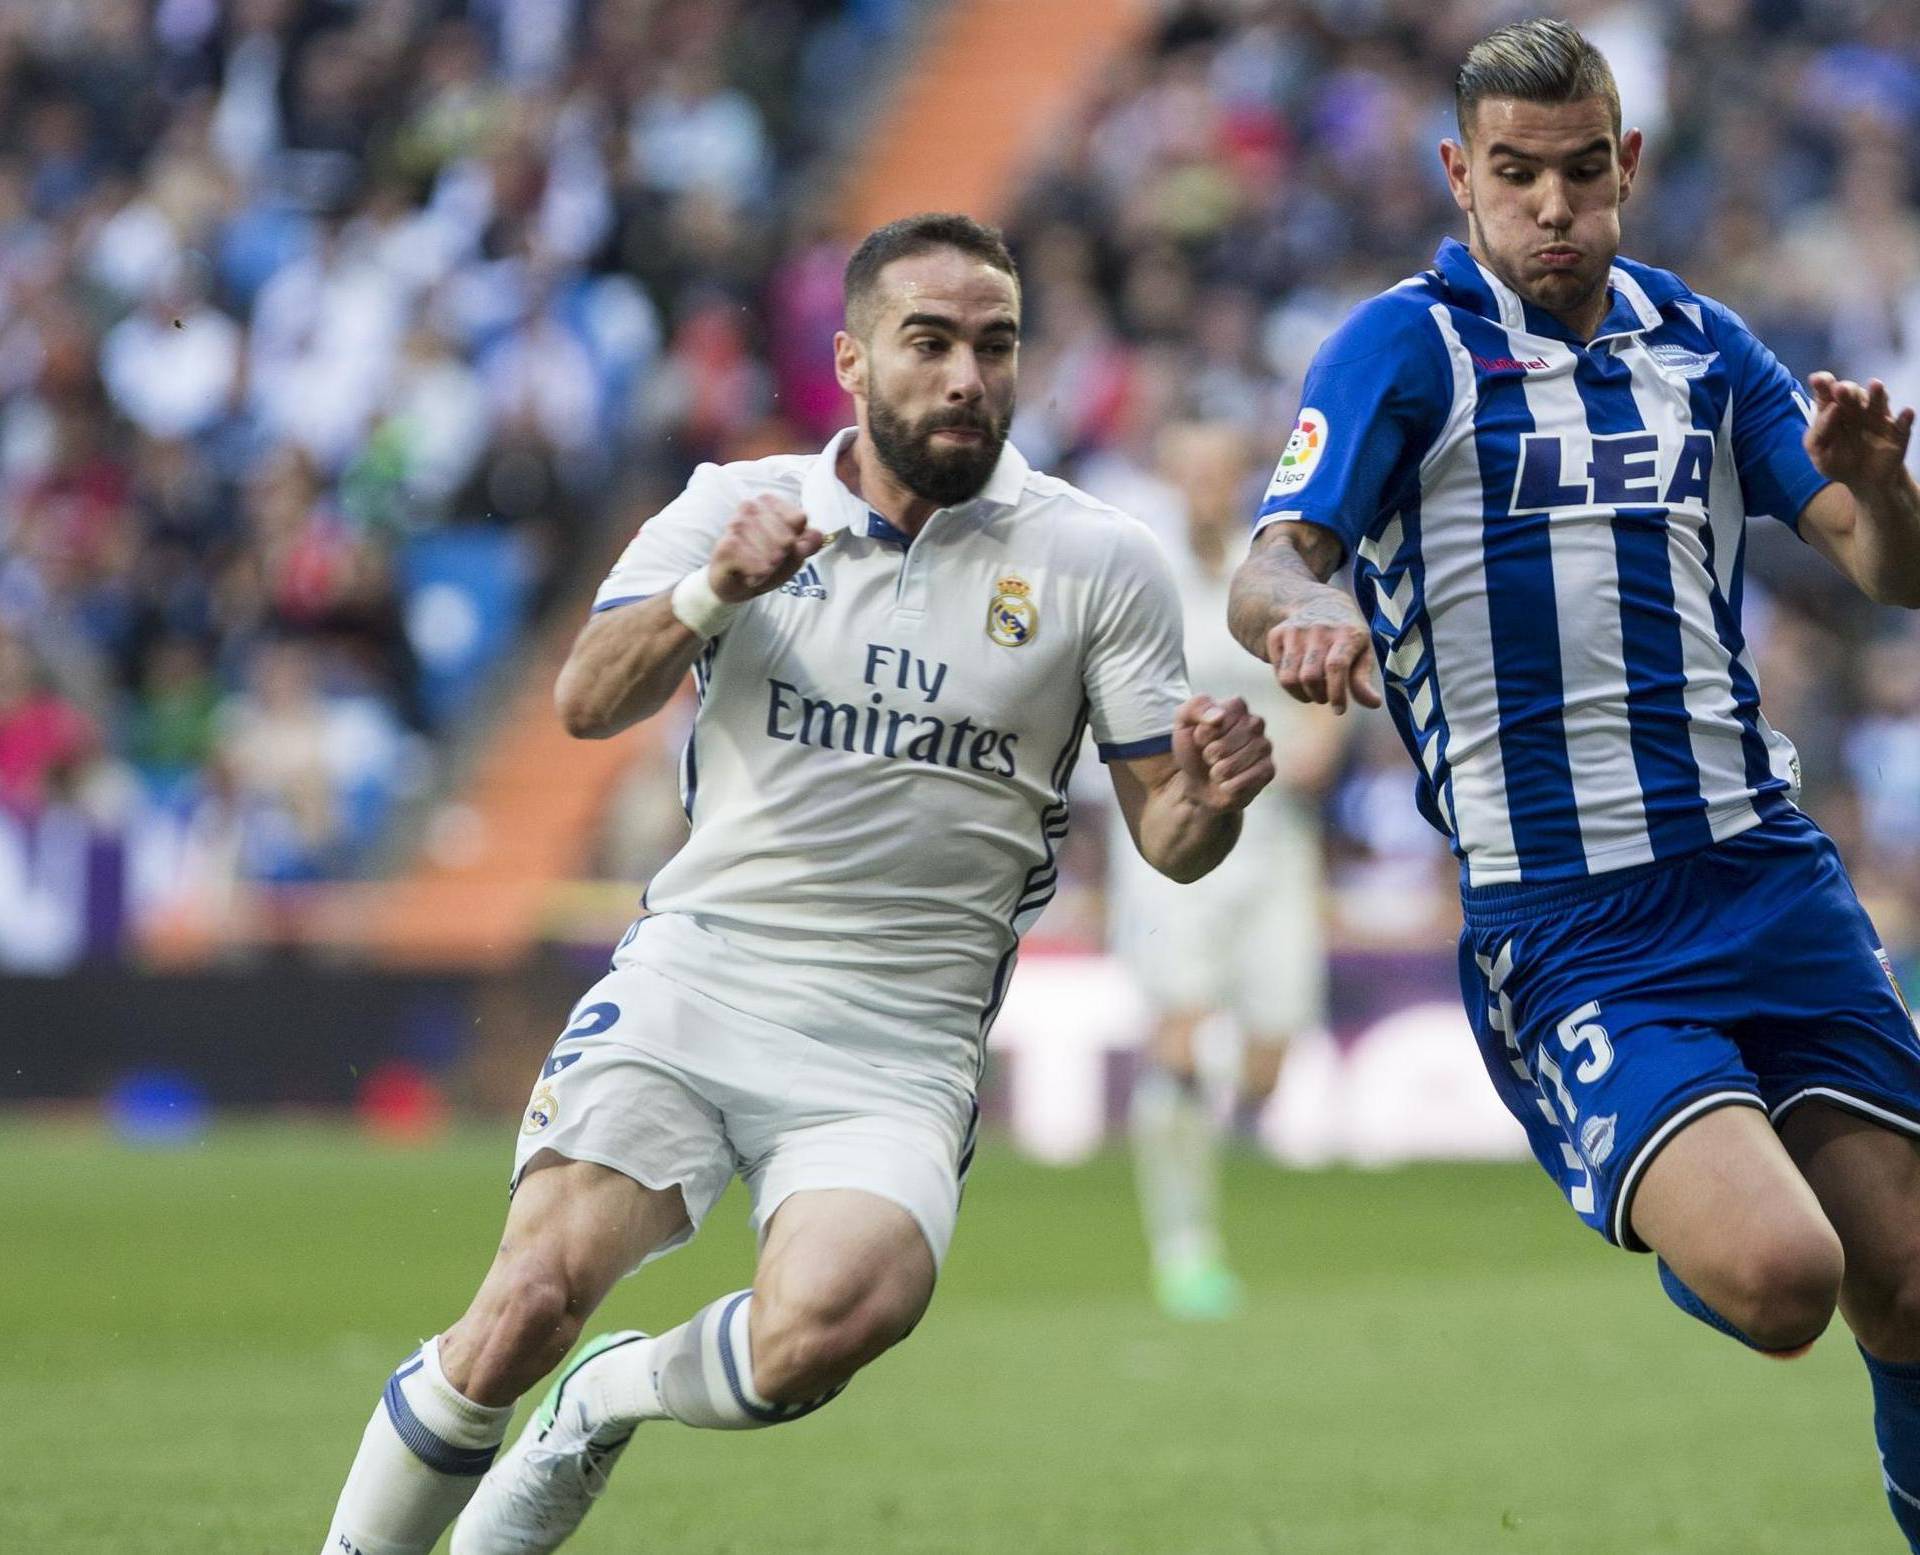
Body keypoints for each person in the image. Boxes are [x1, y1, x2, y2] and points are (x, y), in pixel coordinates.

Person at [320, 211, 1275, 1555]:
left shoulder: (1094, 560)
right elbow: (586, 700)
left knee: (827, 1324)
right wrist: (715, 591)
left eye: (995, 346)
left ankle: (608, 1398)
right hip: (705, 975)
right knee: (527, 1296)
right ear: (852, 359)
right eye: (930, 342)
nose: (967, 376)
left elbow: (1168, 837)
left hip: (901, 1038)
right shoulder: (737, 507)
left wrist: (1213, 794)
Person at [1227, 19, 1920, 1546]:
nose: (1554, 208)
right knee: (1787, 1277)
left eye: (1583, 172)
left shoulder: (1701, 341)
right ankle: (1685, 1163)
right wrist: (1308, 603)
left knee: (1916, 1282)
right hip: (1575, 923)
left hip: (1768, 872)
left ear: (1631, 165)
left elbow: (1892, 571)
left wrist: (1877, 483)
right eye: (1519, 176)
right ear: (1459, 174)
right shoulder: (1403, 347)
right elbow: (1273, 550)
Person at [1108, 421, 1342, 1320]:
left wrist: (1323, 733)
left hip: (1278, 834)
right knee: (1178, 1026)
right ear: (1172, 480)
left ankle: (1206, 1165)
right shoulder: (1145, 577)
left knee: (1271, 1056)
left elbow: (1327, 679)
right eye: (1192, 473)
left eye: (1221, 472)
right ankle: (1183, 1244)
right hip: (1179, 834)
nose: (1208, 488)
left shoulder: (1277, 578)